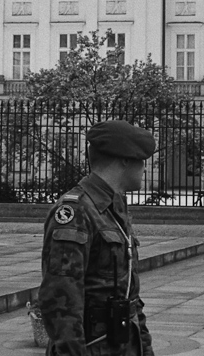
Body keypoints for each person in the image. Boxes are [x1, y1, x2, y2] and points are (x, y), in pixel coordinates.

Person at [39, 120, 156, 355]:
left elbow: (129, 295)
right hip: (93, 347)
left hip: (123, 344)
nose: (144, 169)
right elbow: (61, 300)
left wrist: (145, 347)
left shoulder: (114, 207)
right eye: (142, 161)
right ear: (124, 159)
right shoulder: (76, 212)